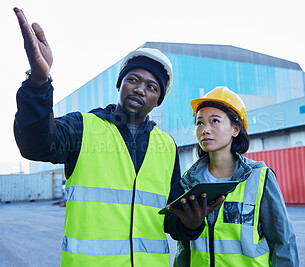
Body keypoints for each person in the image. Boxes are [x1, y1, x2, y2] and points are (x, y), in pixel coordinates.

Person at [12, 7, 224, 267]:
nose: (139, 89)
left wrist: (190, 225)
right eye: (133, 79)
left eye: (151, 86)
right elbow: (35, 144)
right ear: (119, 85)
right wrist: (39, 82)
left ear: (158, 101)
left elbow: (170, 217)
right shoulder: (83, 127)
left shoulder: (166, 146)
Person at [171, 86, 299, 266]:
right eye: (200, 123)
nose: (205, 129)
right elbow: (184, 249)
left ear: (235, 129)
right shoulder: (188, 182)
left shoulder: (260, 178)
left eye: (215, 121)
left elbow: (283, 244)